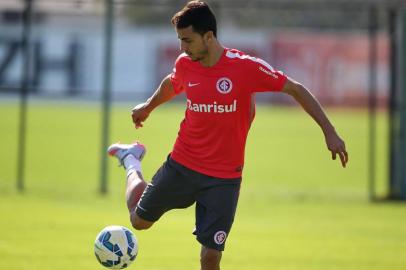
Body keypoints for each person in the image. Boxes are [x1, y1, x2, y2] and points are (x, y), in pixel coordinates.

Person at [107, 1, 349, 269]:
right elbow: (173, 83)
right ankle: (131, 159)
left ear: (208, 37)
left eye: (187, 40)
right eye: (179, 40)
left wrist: (330, 133)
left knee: (210, 256)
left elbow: (295, 89)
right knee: (139, 222)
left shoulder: (245, 68)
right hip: (182, 165)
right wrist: (148, 107)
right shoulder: (186, 63)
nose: (182, 48)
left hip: (224, 178)